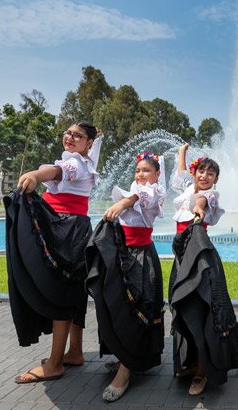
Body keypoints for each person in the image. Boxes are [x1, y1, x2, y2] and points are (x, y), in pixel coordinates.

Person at [6, 122, 101, 384]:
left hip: (65, 226)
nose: (70, 137)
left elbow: (60, 171)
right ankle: (75, 352)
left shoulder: (77, 163)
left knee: (60, 290)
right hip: (72, 225)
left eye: (78, 136)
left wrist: (37, 176)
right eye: (69, 133)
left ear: (87, 143)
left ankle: (55, 363)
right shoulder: (87, 160)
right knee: (73, 291)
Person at [85, 151, 166, 402]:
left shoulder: (153, 192)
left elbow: (140, 197)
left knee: (136, 309)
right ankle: (124, 355)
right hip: (122, 255)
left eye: (146, 170)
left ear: (157, 174)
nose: (141, 174)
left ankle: (125, 371)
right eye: (138, 170)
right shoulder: (134, 190)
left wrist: (122, 203)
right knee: (117, 305)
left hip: (140, 258)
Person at [167, 143, 238, 395]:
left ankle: (203, 371)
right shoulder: (185, 190)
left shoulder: (209, 197)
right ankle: (190, 362)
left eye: (210, 173)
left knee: (201, 314)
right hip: (181, 260)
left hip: (199, 262)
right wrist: (182, 154)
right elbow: (180, 177)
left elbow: (201, 201)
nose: (204, 176)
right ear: (194, 173)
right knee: (184, 311)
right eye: (201, 171)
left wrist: (198, 209)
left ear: (216, 179)